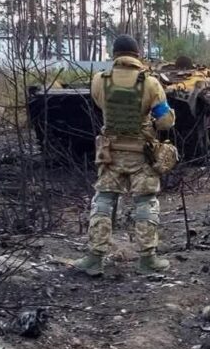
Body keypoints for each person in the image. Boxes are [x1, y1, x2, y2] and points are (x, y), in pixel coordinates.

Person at [73, 34, 176, 277]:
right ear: (137, 55)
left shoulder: (100, 80)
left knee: (103, 201)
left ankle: (94, 258)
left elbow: (100, 106)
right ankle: (147, 259)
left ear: (115, 55)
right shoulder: (150, 84)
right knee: (145, 202)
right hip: (141, 154)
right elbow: (165, 122)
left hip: (109, 154)